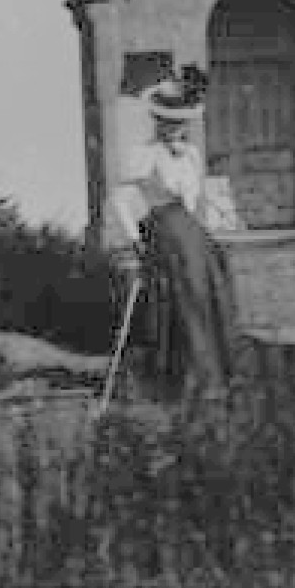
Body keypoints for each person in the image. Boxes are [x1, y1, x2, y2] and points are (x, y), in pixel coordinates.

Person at [110, 70, 240, 400]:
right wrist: (134, 239)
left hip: (192, 233)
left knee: (212, 289)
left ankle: (215, 376)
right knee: (184, 297)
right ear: (157, 121)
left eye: (181, 123)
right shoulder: (144, 155)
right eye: (169, 122)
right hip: (163, 230)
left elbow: (195, 200)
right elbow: (119, 199)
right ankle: (183, 376)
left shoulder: (192, 155)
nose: (175, 129)